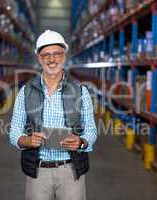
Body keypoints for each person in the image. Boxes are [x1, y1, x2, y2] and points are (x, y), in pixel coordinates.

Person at [9, 30, 97, 200]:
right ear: (39, 58)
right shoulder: (25, 91)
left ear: (64, 56)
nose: (51, 59)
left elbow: (91, 130)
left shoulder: (80, 91)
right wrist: (27, 141)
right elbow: (14, 131)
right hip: (38, 171)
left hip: (71, 171)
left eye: (57, 54)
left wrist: (81, 142)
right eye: (46, 55)